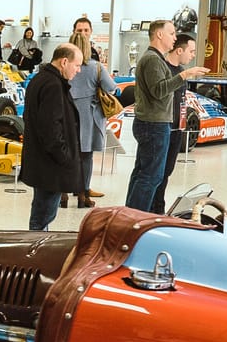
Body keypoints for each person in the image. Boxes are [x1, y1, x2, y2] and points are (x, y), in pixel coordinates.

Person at [124, 20, 209, 213]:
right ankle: (136, 218)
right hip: (153, 124)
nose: (175, 38)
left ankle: (131, 214)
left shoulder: (155, 59)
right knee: (151, 176)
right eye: (171, 33)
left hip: (154, 123)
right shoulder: (153, 60)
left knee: (143, 173)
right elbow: (159, 91)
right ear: (159, 35)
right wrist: (184, 75)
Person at [18, 45, 83, 231]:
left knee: (42, 214)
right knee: (42, 217)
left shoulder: (42, 80)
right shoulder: (53, 85)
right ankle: (35, 255)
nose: (78, 70)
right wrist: (65, 157)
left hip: (43, 162)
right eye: (76, 65)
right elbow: (51, 128)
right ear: (64, 62)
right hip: (49, 166)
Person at [66, 25, 117, 208]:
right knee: (86, 156)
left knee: (67, 155)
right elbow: (111, 87)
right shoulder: (95, 67)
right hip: (88, 117)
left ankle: (63, 194)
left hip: (67, 115)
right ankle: (83, 194)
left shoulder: (64, 66)